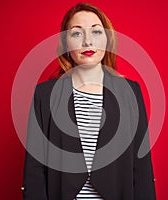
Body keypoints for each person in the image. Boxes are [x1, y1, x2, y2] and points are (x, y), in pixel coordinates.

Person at [22, 3, 156, 200]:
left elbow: (142, 168)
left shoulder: (130, 92)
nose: (87, 41)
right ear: (65, 43)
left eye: (96, 32)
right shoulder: (44, 95)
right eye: (76, 33)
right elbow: (34, 172)